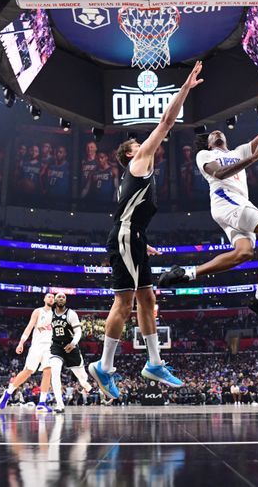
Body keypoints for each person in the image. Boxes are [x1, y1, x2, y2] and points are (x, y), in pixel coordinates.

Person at [88, 61, 204, 400]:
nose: (145, 144)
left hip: (133, 238)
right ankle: (104, 367)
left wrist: (143, 242)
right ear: (129, 154)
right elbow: (167, 121)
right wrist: (185, 87)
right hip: (126, 237)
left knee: (147, 299)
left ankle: (154, 362)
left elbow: (132, 215)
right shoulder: (138, 164)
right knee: (124, 301)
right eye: (137, 143)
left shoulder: (138, 175)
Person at [157, 82, 258, 327]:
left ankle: (187, 274)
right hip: (228, 202)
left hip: (235, 207)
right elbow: (219, 174)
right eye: (212, 135)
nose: (217, 133)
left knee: (243, 253)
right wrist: (254, 158)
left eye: (219, 133)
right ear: (209, 143)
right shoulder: (205, 155)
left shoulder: (240, 150)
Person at [0, 293, 55, 412]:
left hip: (49, 347)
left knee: (48, 372)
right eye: (49, 296)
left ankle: (42, 403)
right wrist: (21, 342)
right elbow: (29, 327)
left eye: (53, 297)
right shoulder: (38, 311)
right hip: (37, 346)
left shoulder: (56, 314)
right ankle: (8, 393)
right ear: (44, 299)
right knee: (27, 372)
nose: (51, 298)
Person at [48, 293, 91, 413]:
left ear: (65, 300)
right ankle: (59, 404)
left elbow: (78, 332)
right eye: (59, 297)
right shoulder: (50, 314)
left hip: (71, 346)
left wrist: (73, 343)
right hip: (56, 346)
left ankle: (86, 385)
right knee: (55, 372)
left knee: (82, 378)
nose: (61, 298)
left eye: (63, 297)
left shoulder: (71, 314)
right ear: (55, 300)